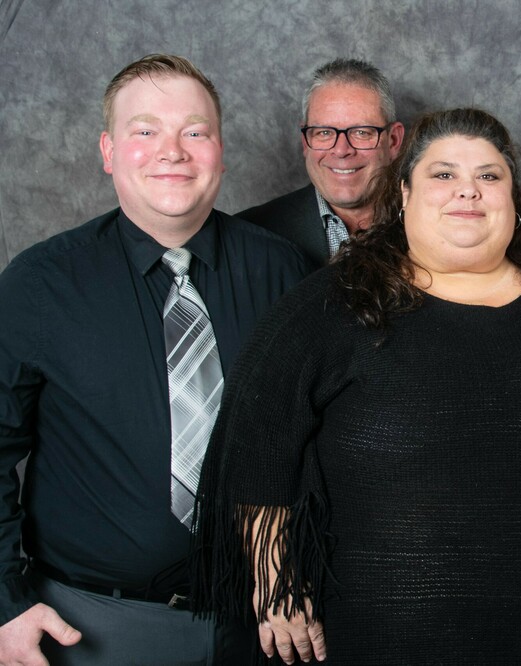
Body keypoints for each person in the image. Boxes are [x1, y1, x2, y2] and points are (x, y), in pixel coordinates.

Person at [192, 108, 521, 664]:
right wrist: (279, 588)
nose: (468, 191)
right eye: (443, 175)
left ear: (514, 201)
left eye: (490, 176)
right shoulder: (332, 305)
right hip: (378, 640)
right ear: (404, 194)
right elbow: (258, 448)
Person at [0, 54, 308, 665]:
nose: (173, 151)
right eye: (145, 131)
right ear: (109, 151)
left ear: (219, 148)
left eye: (194, 132)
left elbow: (307, 441)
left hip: (259, 624)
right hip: (92, 626)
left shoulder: (283, 272)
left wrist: (291, 576)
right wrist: (4, 604)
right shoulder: (39, 284)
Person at [238, 58, 405, 270]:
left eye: (361, 132)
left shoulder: (434, 226)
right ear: (305, 142)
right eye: (324, 133)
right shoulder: (250, 234)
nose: (342, 150)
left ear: (393, 141)